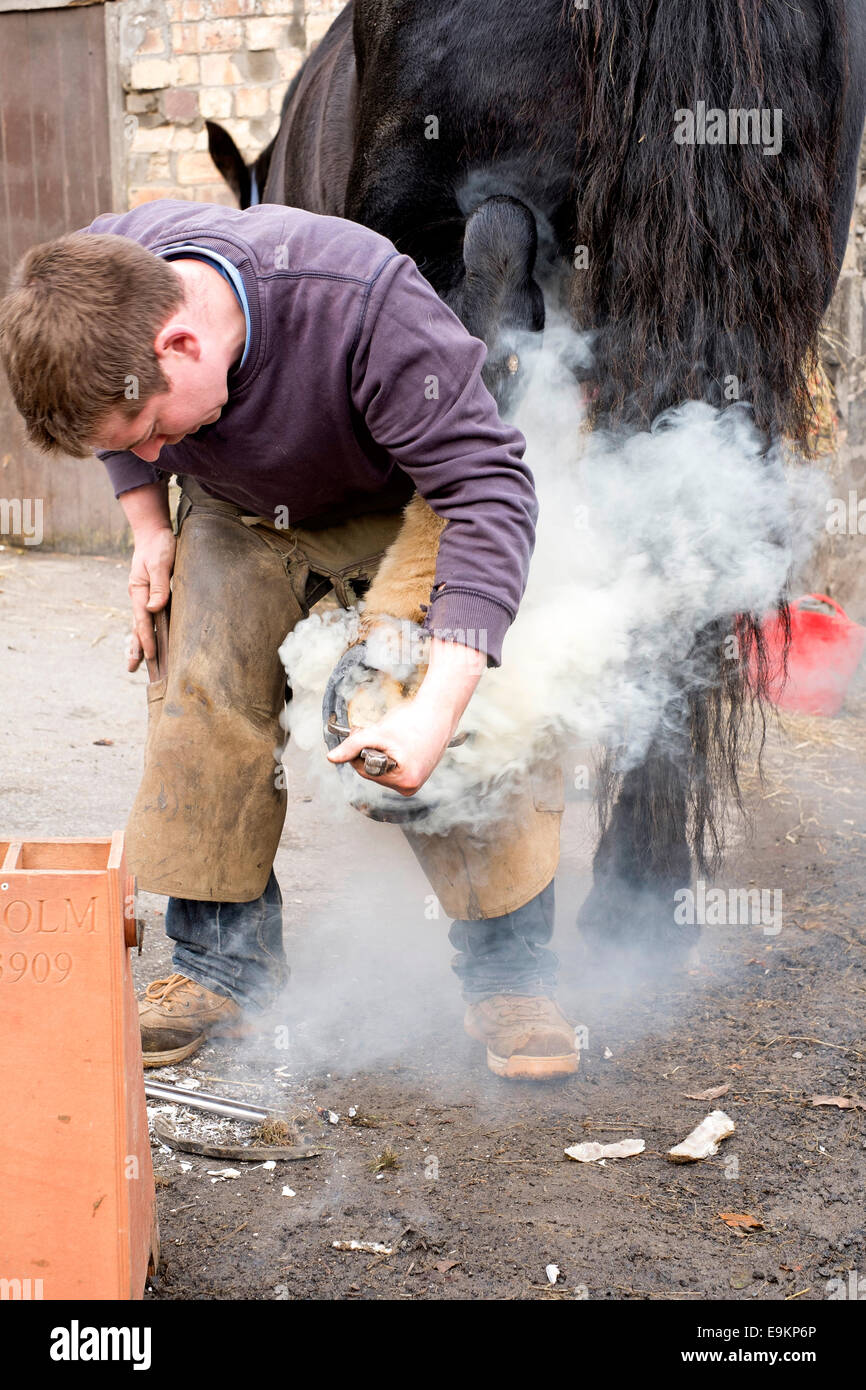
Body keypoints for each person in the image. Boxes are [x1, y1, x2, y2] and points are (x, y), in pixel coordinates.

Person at [0, 199, 575, 1079]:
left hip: (404, 503)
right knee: (198, 680)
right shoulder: (104, 277)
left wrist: (434, 708)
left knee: (444, 711)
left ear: (183, 346)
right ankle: (220, 974)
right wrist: (149, 524)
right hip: (240, 511)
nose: (152, 451)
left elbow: (488, 495)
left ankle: (512, 977)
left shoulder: (363, 303)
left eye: (154, 432)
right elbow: (121, 430)